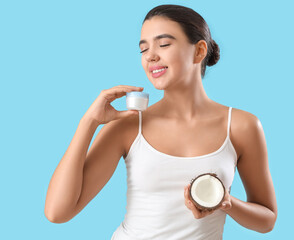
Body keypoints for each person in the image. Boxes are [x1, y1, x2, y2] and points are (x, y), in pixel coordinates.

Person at [44, 4, 277, 239]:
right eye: (143, 49)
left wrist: (226, 203)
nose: (151, 56)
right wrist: (89, 123)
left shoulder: (242, 126)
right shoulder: (128, 126)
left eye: (164, 44)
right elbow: (57, 212)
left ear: (199, 51)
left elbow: (267, 219)